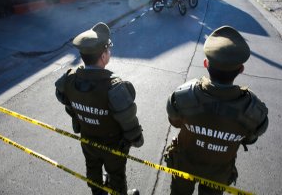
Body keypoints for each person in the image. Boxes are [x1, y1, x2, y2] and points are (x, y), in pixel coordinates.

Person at [165, 26, 269, 195]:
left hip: (184, 166)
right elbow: (250, 139)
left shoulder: (183, 97)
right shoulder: (253, 111)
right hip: (218, 175)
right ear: (241, 69)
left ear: (206, 64)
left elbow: (175, 122)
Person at [55, 22, 143, 195]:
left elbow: (65, 101)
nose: (109, 53)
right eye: (108, 51)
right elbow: (128, 121)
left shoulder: (69, 81)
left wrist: (81, 117)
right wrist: (137, 139)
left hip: (88, 141)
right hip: (113, 146)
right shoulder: (115, 87)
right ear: (103, 56)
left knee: (93, 174)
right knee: (117, 178)